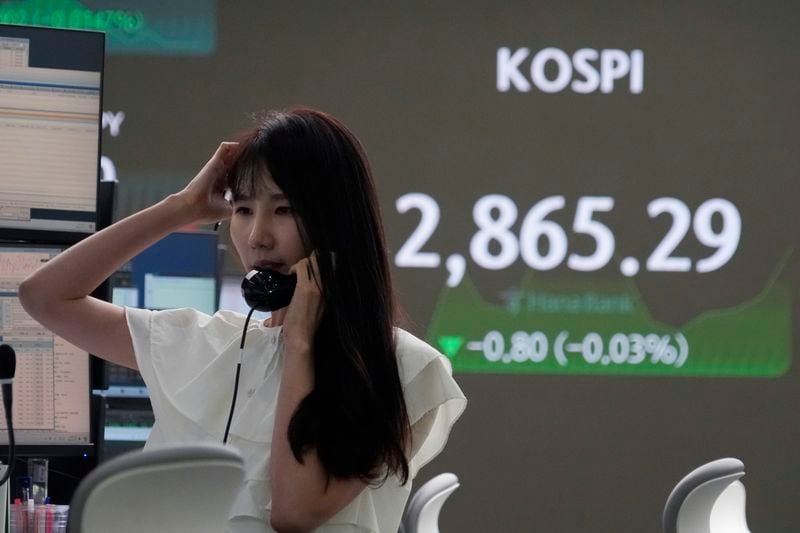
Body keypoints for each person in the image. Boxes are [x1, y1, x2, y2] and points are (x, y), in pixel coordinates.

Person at [19, 107, 467, 532]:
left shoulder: (402, 368)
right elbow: (44, 297)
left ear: (337, 223)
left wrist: (299, 343)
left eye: (285, 210)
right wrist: (182, 207)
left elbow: (293, 514)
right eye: (244, 209)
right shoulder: (206, 343)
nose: (257, 236)